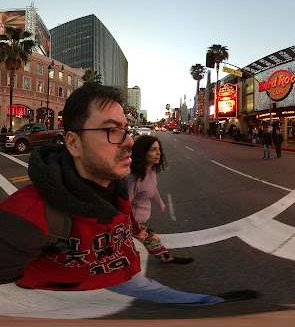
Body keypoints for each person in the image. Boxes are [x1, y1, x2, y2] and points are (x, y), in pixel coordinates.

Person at [0, 84, 255, 304]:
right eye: (111, 130)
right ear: (73, 143)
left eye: (126, 130)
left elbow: (126, 219)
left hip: (126, 274)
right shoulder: (28, 214)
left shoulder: (116, 187)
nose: (129, 142)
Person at [127, 135, 192, 265]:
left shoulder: (150, 171)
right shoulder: (133, 178)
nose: (158, 153)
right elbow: (125, 205)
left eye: (159, 149)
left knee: (151, 239)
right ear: (142, 152)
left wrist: (160, 203)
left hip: (139, 221)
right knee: (147, 239)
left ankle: (165, 257)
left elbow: (153, 189)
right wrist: (135, 227)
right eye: (153, 150)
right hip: (131, 221)